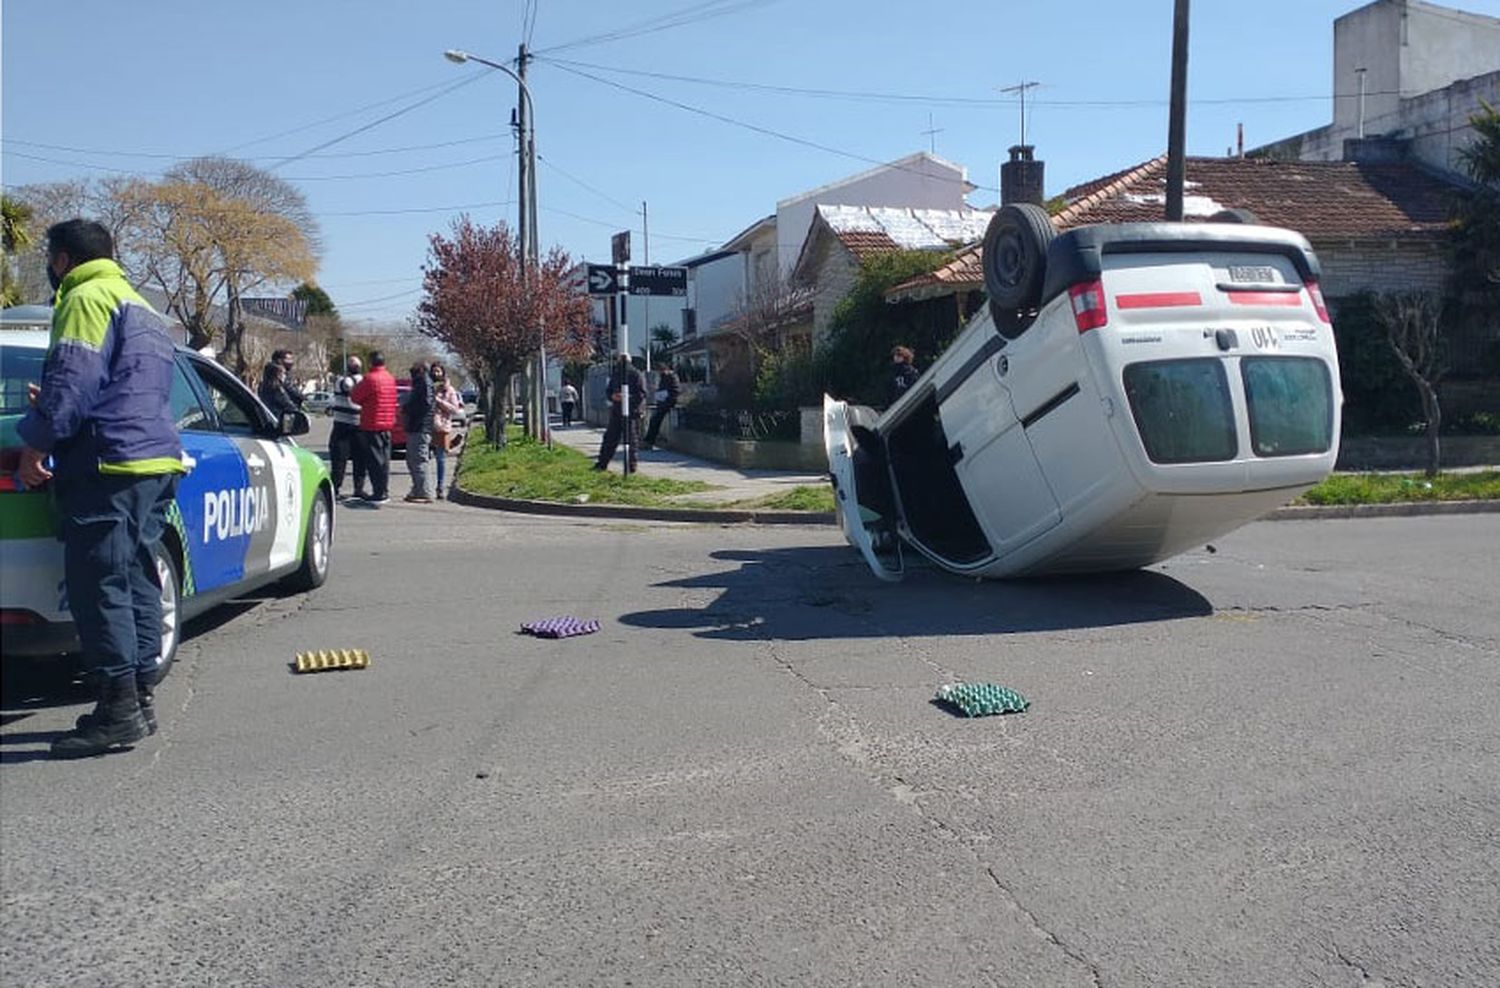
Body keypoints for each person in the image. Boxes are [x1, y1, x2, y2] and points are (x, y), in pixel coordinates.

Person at [17, 219, 187, 758]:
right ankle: (137, 700)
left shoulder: (86, 298)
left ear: (62, 259)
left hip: (108, 465)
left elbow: (73, 379)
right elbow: (125, 385)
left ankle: (116, 712)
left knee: (99, 587)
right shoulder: (143, 308)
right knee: (135, 578)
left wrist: (35, 443)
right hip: (153, 462)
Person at [350, 351, 398, 504]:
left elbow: (355, 396)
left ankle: (378, 493)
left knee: (374, 461)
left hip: (372, 423)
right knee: (384, 459)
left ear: (371, 363)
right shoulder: (390, 378)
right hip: (388, 424)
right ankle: (384, 489)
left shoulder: (370, 379)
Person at [593, 352, 646, 473]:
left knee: (630, 440)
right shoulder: (616, 375)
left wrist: (626, 398)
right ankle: (603, 463)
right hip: (617, 410)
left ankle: (631, 466)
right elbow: (609, 390)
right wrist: (613, 396)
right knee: (612, 438)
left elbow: (641, 394)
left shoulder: (635, 374)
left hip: (631, 412)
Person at [328, 355, 366, 500]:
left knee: (360, 459)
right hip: (342, 425)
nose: (354, 368)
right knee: (339, 459)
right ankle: (335, 488)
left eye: (355, 365)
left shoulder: (362, 380)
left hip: (358, 425)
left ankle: (359, 489)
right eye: (353, 365)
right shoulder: (342, 381)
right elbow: (348, 387)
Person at [429, 361, 463, 500]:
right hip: (427, 426)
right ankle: (422, 487)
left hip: (442, 426)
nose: (436, 374)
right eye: (434, 371)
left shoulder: (449, 390)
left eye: (438, 371)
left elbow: (455, 409)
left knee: (440, 459)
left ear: (443, 373)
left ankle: (440, 487)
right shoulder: (428, 387)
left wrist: (439, 401)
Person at [402, 361, 434, 503]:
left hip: (420, 426)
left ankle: (425, 491)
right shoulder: (422, 383)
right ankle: (418, 489)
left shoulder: (424, 383)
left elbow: (425, 404)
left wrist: (408, 408)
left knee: (418, 460)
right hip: (418, 426)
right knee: (413, 460)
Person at [641, 363, 680, 450]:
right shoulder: (664, 376)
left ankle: (649, 441)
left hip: (668, 402)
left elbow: (675, 391)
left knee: (655, 419)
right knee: (653, 419)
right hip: (662, 401)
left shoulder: (671, 376)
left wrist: (665, 398)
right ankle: (648, 441)